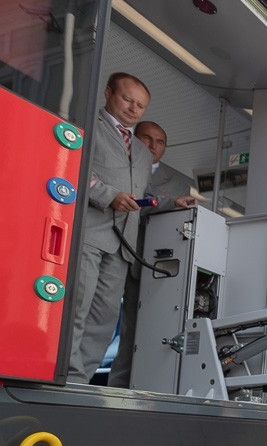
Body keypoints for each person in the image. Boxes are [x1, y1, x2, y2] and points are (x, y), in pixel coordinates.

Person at [68, 73, 154, 384]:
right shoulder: (87, 124)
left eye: (140, 106)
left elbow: (144, 193)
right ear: (107, 93)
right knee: (77, 307)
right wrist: (109, 196)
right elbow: (72, 165)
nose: (133, 109)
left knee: (104, 320)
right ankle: (62, 375)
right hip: (91, 233)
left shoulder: (143, 152)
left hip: (122, 246)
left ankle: (79, 380)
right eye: (127, 99)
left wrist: (174, 202)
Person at [107, 121, 199, 388]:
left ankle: (122, 387)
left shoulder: (181, 182)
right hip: (113, 250)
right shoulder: (119, 165)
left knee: (137, 330)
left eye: (159, 142)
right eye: (147, 138)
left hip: (149, 263)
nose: (152, 146)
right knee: (101, 319)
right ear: (134, 139)